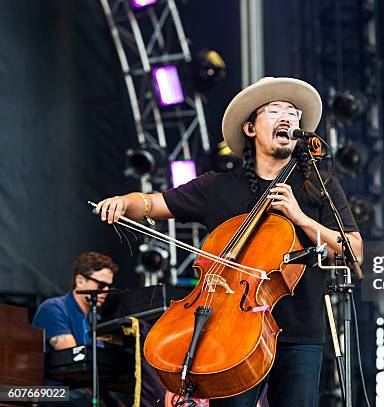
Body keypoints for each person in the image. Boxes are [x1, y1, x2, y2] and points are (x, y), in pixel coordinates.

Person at [96, 77, 363, 406]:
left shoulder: (318, 185)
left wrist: (301, 217)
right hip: (226, 333)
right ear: (250, 128)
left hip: (300, 334)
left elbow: (353, 249)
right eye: (274, 110)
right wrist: (125, 202)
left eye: (294, 113)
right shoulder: (217, 187)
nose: (287, 117)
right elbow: (153, 203)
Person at [33, 251, 117, 352]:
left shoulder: (95, 318)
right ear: (80, 280)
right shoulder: (53, 309)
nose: (105, 291)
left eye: (109, 287)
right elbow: (72, 358)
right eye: (101, 285)